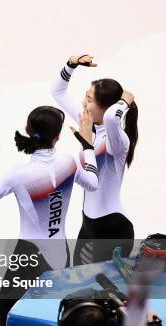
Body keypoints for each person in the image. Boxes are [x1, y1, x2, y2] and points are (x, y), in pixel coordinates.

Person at [0, 106, 99, 326]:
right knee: (54, 314)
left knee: (8, 313)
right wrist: (87, 145)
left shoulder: (17, 174)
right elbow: (93, 183)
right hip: (60, 254)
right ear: (58, 136)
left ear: (29, 132)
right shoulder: (69, 163)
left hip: (28, 255)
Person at [50, 54, 138, 265]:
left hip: (112, 228)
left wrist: (125, 100)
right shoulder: (89, 125)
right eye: (85, 96)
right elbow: (58, 92)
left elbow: (111, 118)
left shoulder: (117, 140)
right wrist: (71, 64)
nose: (83, 103)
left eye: (89, 100)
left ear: (107, 107)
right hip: (88, 225)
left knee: (107, 294)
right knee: (81, 292)